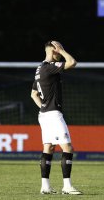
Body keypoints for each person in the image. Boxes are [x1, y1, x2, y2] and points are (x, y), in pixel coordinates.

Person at [31, 40, 82, 195]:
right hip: (53, 114)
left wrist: (44, 107)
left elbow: (33, 94)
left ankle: (45, 186)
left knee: (49, 148)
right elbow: (72, 62)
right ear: (54, 50)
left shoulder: (39, 69)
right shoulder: (49, 67)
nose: (61, 52)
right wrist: (63, 51)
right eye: (59, 49)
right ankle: (67, 186)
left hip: (44, 114)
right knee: (67, 147)